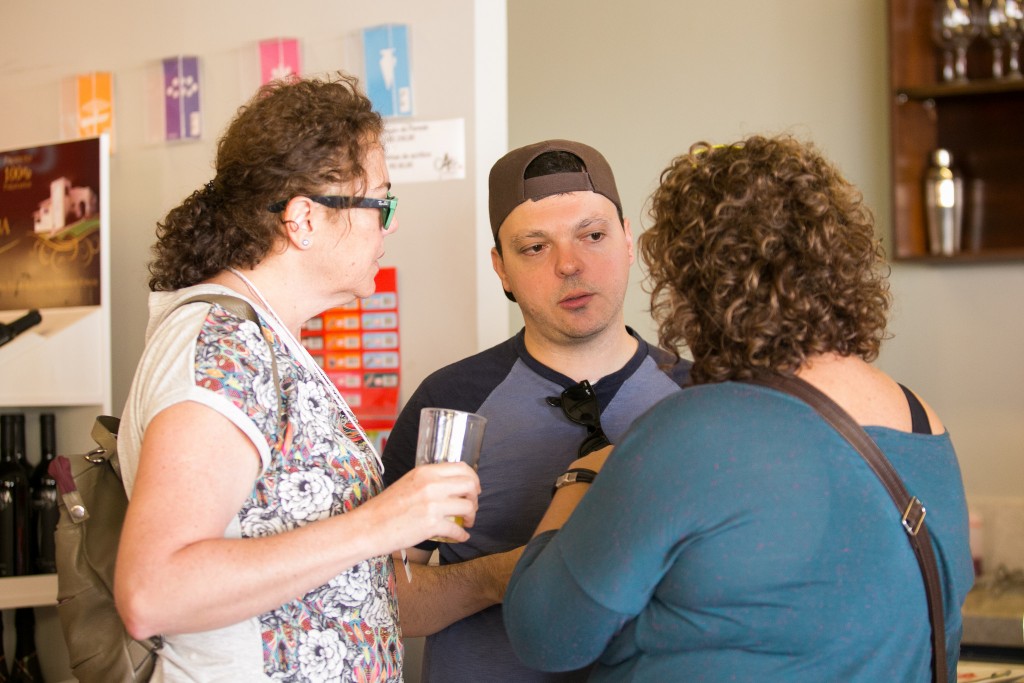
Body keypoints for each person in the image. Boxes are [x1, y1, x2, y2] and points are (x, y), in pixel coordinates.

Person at [503, 134, 974, 682]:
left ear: (699, 285)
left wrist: (582, 477)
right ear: (840, 260)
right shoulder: (923, 421)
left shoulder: (692, 432)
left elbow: (545, 635)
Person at [113, 74, 480, 682]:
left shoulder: (264, 340)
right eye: (380, 203)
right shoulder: (223, 346)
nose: (388, 225)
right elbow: (153, 591)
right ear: (304, 220)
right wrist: (381, 522)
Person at [381, 139, 691, 682]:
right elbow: (384, 599)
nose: (569, 265)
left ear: (627, 243)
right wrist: (509, 575)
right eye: (534, 248)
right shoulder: (450, 399)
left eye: (592, 235)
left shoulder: (701, 399)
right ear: (501, 268)